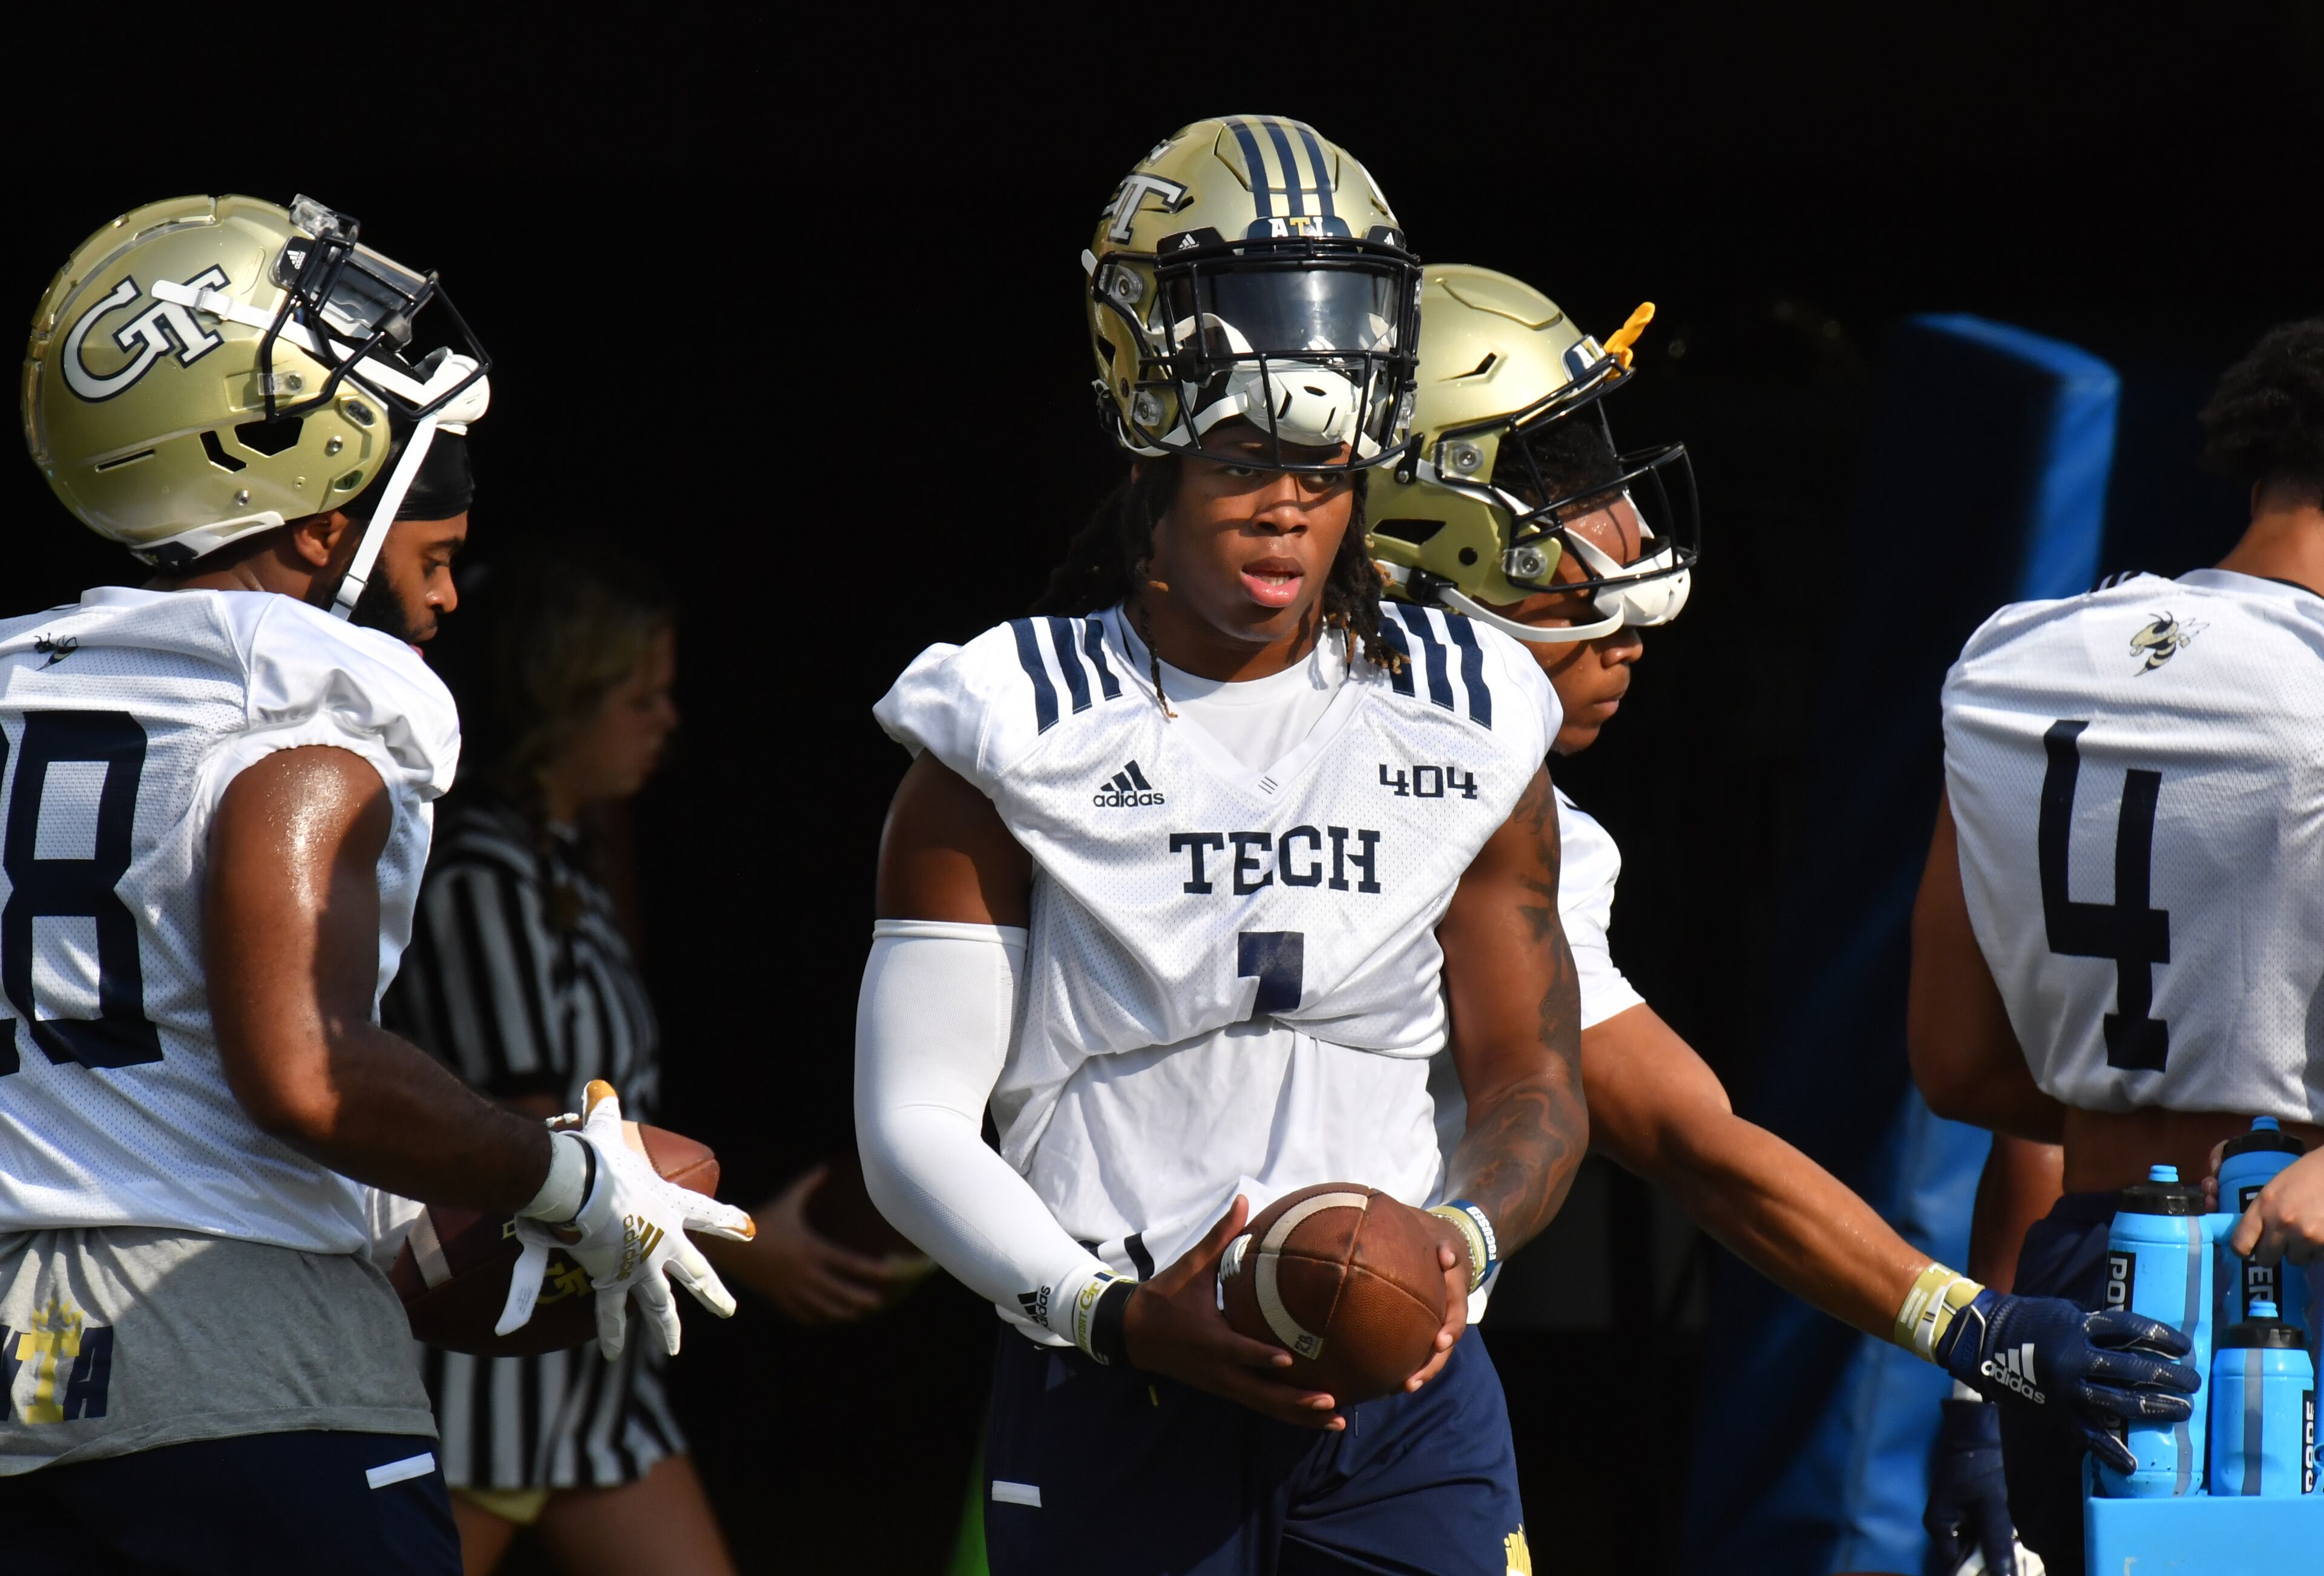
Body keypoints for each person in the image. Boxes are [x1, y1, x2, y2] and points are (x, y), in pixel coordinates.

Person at [1370, 263, 2199, 1576]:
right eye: (1557, 470)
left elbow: (1697, 1142)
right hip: (1129, 1371)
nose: (1626, 532)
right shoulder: (1076, 731)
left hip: (1388, 1406)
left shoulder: (1530, 832)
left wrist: (1971, 1332)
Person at [856, 119, 1584, 1575]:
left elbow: (1534, 1083)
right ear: (1154, 455)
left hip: (1405, 1405)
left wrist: (1461, 1245)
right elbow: (911, 1127)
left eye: (1323, 468)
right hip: (1111, 1368)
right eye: (1243, 458)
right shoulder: (1007, 724)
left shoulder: (1473, 708)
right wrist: (1111, 1315)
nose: (1286, 509)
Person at [0, 195, 749, 1575]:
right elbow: (309, 1073)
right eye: (443, 548)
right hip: (235, 1353)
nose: (453, 597)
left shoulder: (21, 674)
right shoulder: (306, 694)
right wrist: (563, 1181)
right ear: (304, 501)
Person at [384, 550, 908, 1575]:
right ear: (566, 696)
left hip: (593, 1360)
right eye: (640, 697)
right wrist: (754, 1247)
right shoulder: (482, 880)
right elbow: (536, 1140)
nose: (666, 721)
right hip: (493, 1364)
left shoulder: (563, 862)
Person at [1909, 317, 2324, 1576]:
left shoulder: (2015, 663)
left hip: (2091, 1277)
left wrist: (1980, 1386)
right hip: (2292, 1281)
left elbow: (1967, 1068)